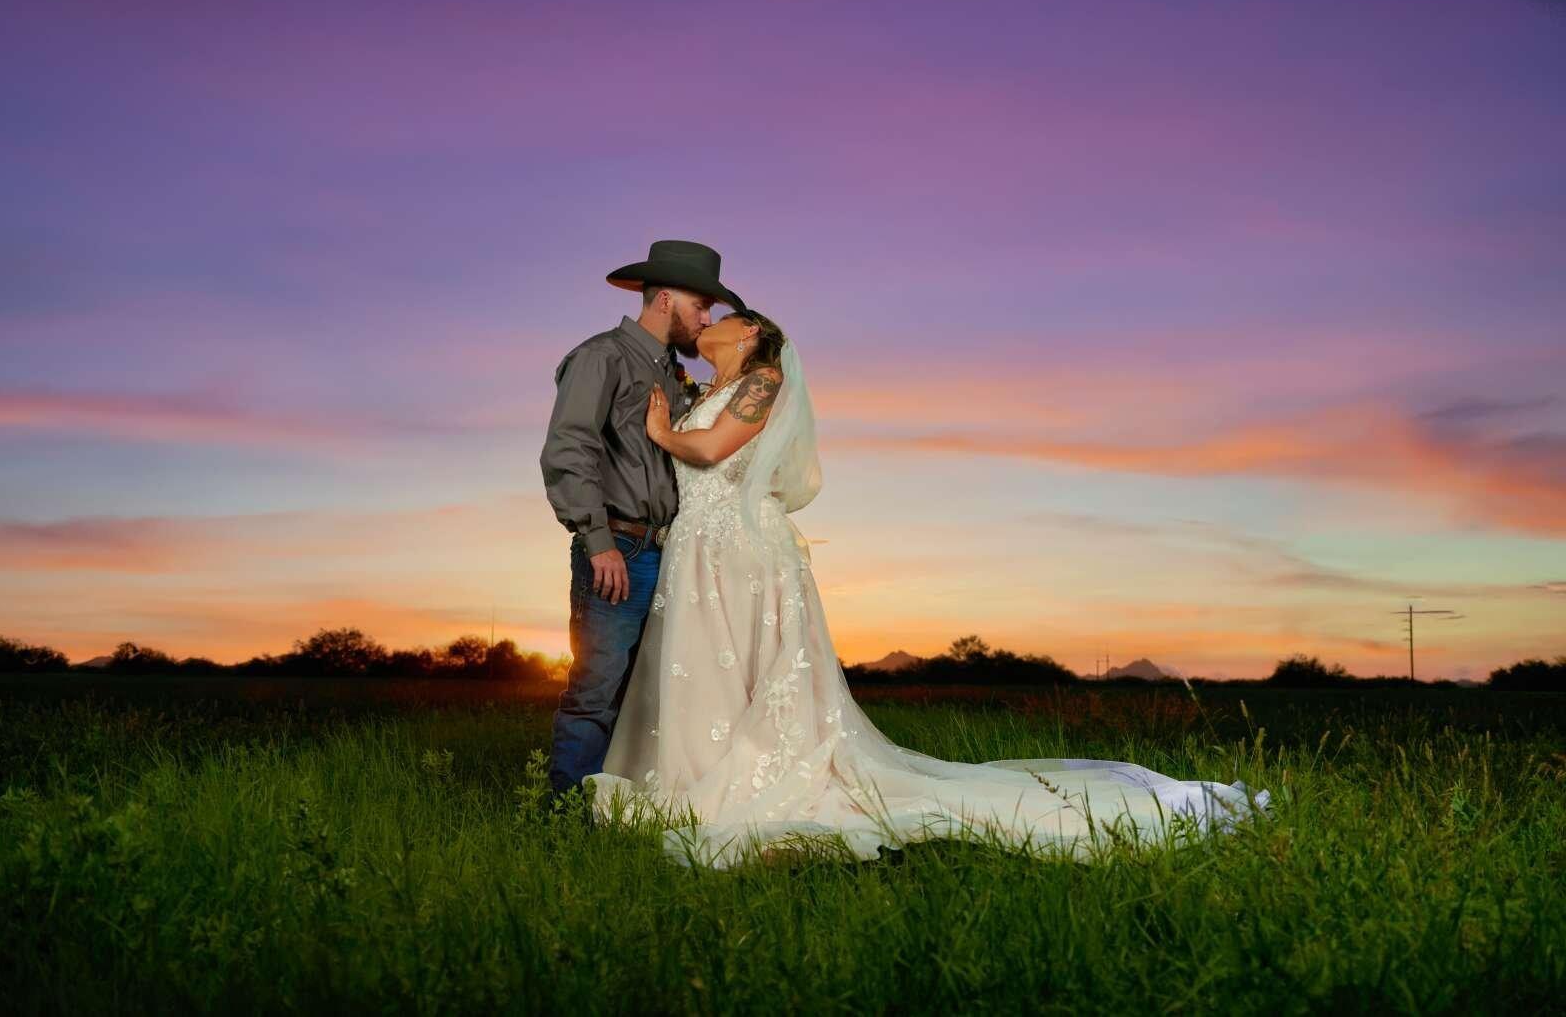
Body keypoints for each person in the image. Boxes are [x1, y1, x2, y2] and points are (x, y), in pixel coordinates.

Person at [582, 308, 1274, 869]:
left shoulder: (761, 382)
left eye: (723, 316)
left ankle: (754, 783)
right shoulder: (704, 389)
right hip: (699, 551)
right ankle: (694, 776)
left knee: (755, 676)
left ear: (754, 332)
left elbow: (708, 451)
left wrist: (662, 432)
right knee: (706, 675)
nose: (708, 322)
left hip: (742, 552)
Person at [539, 239, 747, 799]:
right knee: (596, 689)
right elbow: (568, 449)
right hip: (619, 548)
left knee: (648, 696)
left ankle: (622, 808)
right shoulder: (600, 357)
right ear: (663, 299)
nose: (706, 319)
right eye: (700, 306)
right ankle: (566, 818)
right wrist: (597, 540)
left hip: (671, 552)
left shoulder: (673, 372)